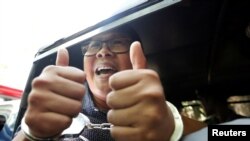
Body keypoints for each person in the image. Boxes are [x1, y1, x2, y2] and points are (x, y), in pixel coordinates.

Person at [12, 25, 205, 141]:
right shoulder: (55, 106)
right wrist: (32, 133)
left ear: (135, 57)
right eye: (94, 45)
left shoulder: (160, 113)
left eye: (117, 42)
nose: (102, 51)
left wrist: (174, 128)